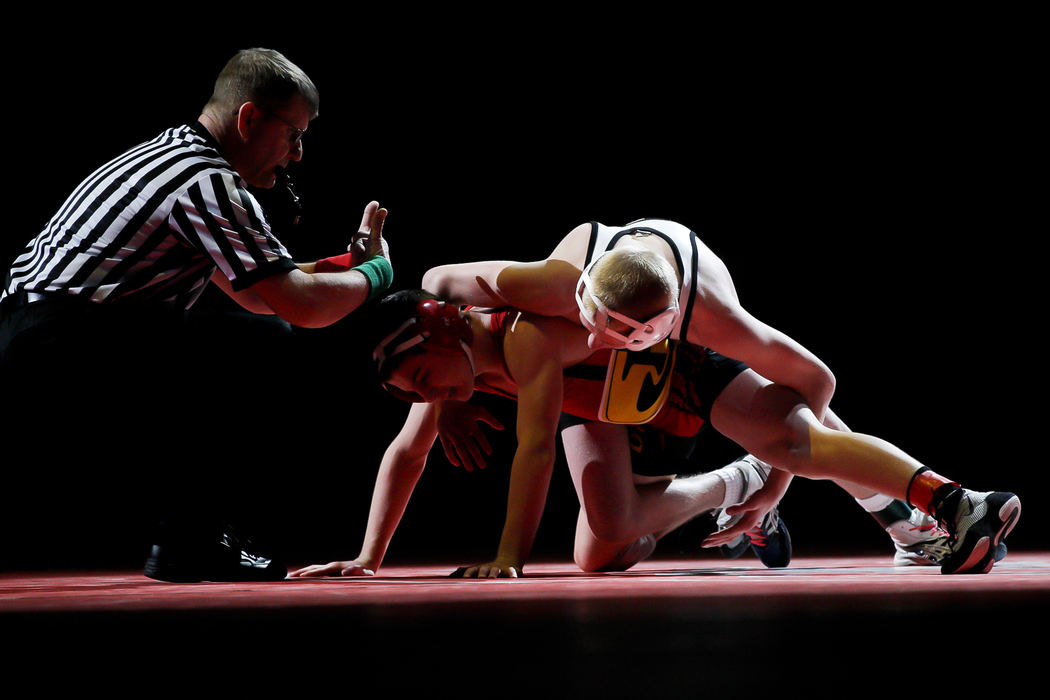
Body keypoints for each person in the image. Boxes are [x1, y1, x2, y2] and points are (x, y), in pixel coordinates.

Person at [418, 223, 1019, 576]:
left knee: (792, 438)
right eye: (589, 324)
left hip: (683, 363)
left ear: (667, 322)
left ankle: (950, 503)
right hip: (598, 388)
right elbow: (435, 283)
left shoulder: (714, 317)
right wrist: (447, 401)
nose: (595, 343)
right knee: (601, 549)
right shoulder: (555, 281)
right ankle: (767, 486)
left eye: (613, 337)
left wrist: (775, 482)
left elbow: (816, 382)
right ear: (581, 292)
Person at [0, 48, 392, 582]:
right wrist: (379, 275)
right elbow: (300, 305)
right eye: (294, 135)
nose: (297, 155)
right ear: (249, 118)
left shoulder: (172, 156)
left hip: (44, 332)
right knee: (257, 343)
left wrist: (350, 263)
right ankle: (189, 538)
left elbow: (256, 289)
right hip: (65, 338)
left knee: (250, 328)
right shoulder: (209, 182)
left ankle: (187, 535)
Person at [290, 291, 949, 580]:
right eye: (414, 392)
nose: (428, 396)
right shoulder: (454, 375)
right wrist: (368, 554)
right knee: (602, 548)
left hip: (666, 368)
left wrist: (509, 556)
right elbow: (407, 451)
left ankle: (919, 517)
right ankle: (735, 479)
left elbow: (536, 450)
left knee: (795, 432)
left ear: (444, 332)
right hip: (602, 412)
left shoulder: (520, 330)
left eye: (425, 379)